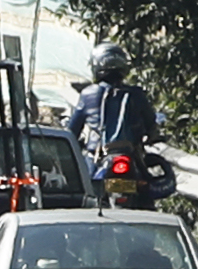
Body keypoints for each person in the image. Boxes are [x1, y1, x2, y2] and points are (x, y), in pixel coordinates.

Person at [66, 42, 165, 184]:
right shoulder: (136, 94)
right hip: (131, 154)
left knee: (84, 188)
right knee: (148, 187)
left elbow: (72, 130)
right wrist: (152, 135)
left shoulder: (88, 94)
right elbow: (151, 124)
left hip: (97, 156)